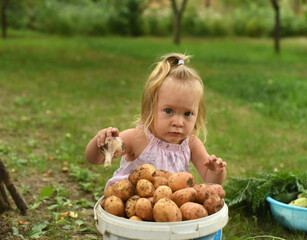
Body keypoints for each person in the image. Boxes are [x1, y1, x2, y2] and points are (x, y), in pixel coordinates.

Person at [85, 53, 226, 189]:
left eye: (188, 113)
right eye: (169, 111)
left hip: (168, 209)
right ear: (150, 109)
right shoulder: (137, 138)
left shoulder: (191, 144)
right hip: (131, 206)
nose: (178, 122)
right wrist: (101, 142)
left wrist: (216, 171)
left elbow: (211, 181)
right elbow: (96, 159)